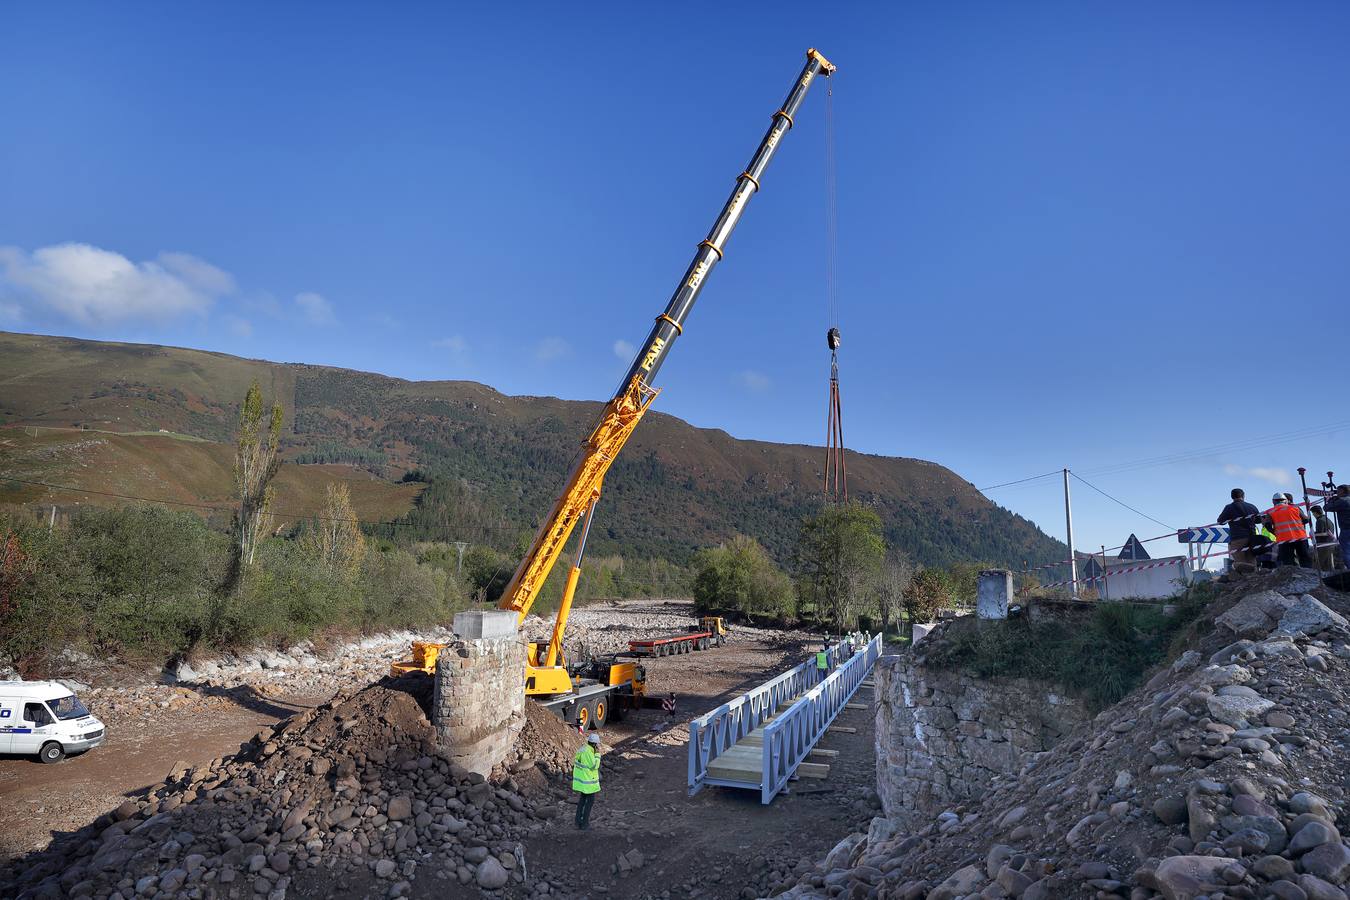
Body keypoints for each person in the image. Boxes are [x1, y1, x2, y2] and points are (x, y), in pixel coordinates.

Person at [1264, 493, 1313, 569]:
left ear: (1273, 501)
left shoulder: (1270, 512)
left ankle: (1292, 578)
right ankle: (1310, 576)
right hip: (1300, 537)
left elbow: (1267, 525)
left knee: (1288, 561)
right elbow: (1306, 519)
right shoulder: (1295, 508)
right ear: (1285, 501)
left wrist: (1275, 533)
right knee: (1304, 558)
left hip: (1284, 539)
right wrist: (1298, 524)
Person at [1218, 488, 1260, 574]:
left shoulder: (1229, 507)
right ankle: (1255, 576)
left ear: (1232, 497)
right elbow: (1258, 520)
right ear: (1243, 496)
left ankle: (1245, 578)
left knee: (1240, 561)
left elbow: (1220, 521)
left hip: (1238, 538)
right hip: (1252, 537)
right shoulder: (1252, 506)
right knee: (1251, 559)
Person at [572, 732, 602, 830]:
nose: (598, 746)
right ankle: (584, 824)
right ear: (594, 744)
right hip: (588, 782)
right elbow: (594, 766)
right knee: (589, 802)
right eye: (598, 744)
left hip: (582, 781)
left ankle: (577, 822)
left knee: (582, 801)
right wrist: (597, 754)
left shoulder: (583, 748)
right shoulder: (589, 752)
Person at [1326, 485, 1350, 572]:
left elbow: (1327, 508)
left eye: (1338, 491)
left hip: (1347, 529)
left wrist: (1329, 500)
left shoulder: (1343, 501)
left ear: (1342, 491)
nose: (1337, 493)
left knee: (1346, 551)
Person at [1311, 505, 1338, 571]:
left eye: (1313, 513)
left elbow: (1322, 533)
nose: (1313, 515)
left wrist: (1313, 534)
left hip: (1323, 545)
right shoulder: (1328, 520)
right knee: (1329, 566)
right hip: (1331, 544)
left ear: (1315, 513)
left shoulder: (1320, 521)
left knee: (1318, 565)